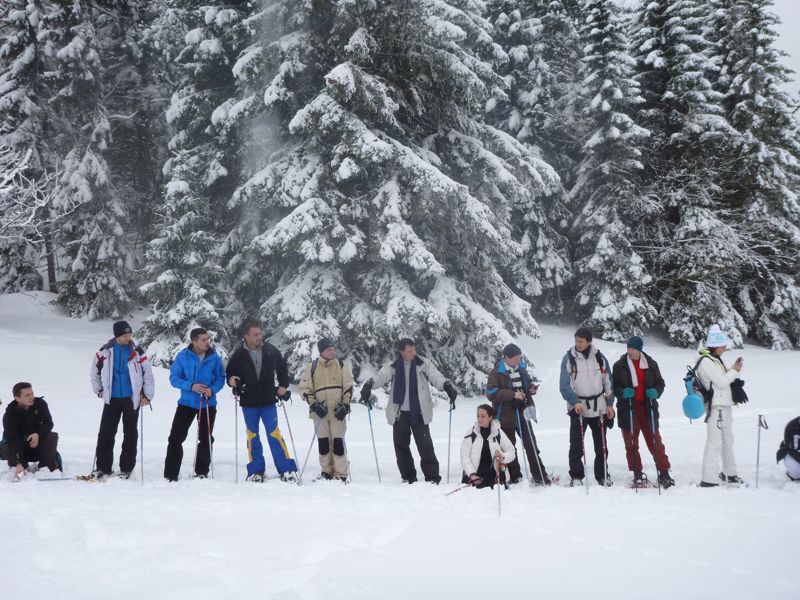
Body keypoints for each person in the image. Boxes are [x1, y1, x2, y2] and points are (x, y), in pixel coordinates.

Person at [359, 338, 457, 484]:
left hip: (419, 411)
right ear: (402, 352)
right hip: (400, 413)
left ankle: (432, 477)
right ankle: (408, 477)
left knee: (425, 446)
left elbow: (435, 376)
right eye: (409, 351)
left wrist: (446, 385)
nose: (413, 353)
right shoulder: (393, 365)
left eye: (414, 349)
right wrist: (369, 385)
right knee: (401, 447)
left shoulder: (422, 363)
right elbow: (381, 377)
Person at [225, 321, 298, 482]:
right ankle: (256, 471)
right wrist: (232, 380)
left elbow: (282, 369)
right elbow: (230, 373)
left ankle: (286, 469)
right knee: (253, 436)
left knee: (274, 434)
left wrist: (283, 385)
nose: (260, 337)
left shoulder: (270, 351)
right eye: (255, 334)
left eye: (260, 333)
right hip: (248, 402)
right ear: (246, 336)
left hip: (268, 401)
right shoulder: (239, 355)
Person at [89, 320, 155, 479]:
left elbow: (147, 374)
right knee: (105, 434)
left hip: (131, 399)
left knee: (130, 434)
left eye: (130, 334)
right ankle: (103, 467)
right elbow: (94, 372)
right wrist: (99, 390)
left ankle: (126, 468)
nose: (128, 338)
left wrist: (147, 396)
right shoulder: (105, 351)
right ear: (117, 335)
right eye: (125, 335)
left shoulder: (137, 351)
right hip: (111, 399)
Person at [163, 328, 226, 481]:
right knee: (175, 438)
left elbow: (221, 378)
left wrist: (212, 390)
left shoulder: (214, 358)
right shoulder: (183, 356)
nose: (207, 342)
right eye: (203, 340)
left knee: (206, 438)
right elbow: (173, 378)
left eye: (207, 339)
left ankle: (201, 472)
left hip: (207, 404)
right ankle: (170, 475)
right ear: (194, 341)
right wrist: (190, 386)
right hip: (186, 403)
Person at [612, 336, 674, 488]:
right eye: (628, 348)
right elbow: (613, 387)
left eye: (633, 349)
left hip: (648, 408)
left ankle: (664, 472)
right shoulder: (619, 365)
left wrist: (656, 391)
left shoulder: (651, 364)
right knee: (631, 442)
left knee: (655, 440)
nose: (630, 351)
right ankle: (637, 474)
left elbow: (660, 383)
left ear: (640, 350)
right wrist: (622, 392)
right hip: (628, 408)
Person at [485, 343, 552, 485]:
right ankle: (515, 476)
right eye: (516, 358)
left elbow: (526, 385)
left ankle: (540, 475)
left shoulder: (521, 369)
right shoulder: (496, 372)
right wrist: (512, 395)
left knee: (531, 444)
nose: (519, 361)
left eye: (519, 358)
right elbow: (491, 393)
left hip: (523, 412)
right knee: (509, 447)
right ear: (506, 358)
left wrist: (531, 389)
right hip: (505, 416)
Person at [559, 327, 615, 486]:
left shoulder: (599, 358)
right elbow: (564, 385)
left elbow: (608, 383)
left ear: (589, 342)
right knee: (576, 446)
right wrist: (575, 401)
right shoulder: (569, 359)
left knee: (601, 445)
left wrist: (610, 404)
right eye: (576, 340)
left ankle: (602, 475)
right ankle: (576, 476)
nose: (577, 344)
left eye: (581, 341)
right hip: (578, 408)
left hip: (599, 408)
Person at [298, 338, 354, 481]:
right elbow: (304, 389)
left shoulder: (341, 365)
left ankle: (341, 473)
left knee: (338, 442)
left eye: (333, 349)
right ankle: (327, 471)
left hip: (337, 412)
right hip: (320, 412)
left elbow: (348, 386)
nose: (332, 352)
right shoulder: (312, 367)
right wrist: (314, 405)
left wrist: (345, 405)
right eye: (329, 350)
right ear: (321, 351)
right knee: (323, 443)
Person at [695, 324, 745, 487]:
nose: (725, 348)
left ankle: (729, 473)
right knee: (714, 442)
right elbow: (722, 382)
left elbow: (721, 379)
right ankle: (708, 478)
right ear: (715, 345)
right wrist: (734, 371)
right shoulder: (706, 362)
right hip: (716, 407)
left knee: (728, 440)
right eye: (723, 345)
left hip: (724, 405)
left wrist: (732, 370)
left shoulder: (714, 359)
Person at [0, 383, 62, 480]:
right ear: (17, 398)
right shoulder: (9, 415)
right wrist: (19, 462)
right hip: (18, 448)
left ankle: (46, 467)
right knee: (6, 446)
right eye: (27, 395)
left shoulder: (40, 404)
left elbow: (48, 424)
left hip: (36, 444)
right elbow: (13, 440)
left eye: (32, 393)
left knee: (52, 436)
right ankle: (20, 467)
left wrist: (38, 435)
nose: (31, 397)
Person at [460, 404, 516, 489]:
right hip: (475, 477)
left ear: (490, 417)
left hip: (495, 477)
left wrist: (503, 457)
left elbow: (511, 451)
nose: (479, 419)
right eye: (478, 416)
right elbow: (464, 455)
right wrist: (471, 474)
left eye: (483, 416)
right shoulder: (471, 432)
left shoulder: (498, 432)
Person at [776, 416, 800, 482]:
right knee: (795, 470)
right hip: (793, 452)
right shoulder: (791, 426)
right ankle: (793, 476)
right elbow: (790, 449)